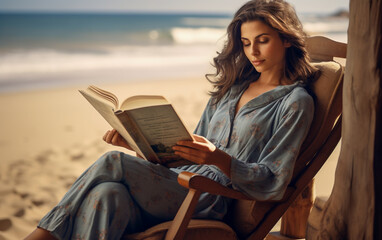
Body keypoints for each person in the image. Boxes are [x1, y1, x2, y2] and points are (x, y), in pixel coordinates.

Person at [25, 0, 317, 239]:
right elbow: (188, 151)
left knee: (111, 162)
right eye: (245, 43)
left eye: (263, 41)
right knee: (107, 194)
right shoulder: (231, 90)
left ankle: (41, 236)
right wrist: (137, 144)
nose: (253, 51)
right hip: (176, 182)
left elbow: (273, 180)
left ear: (286, 40)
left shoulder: (294, 103)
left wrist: (218, 159)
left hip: (207, 196)